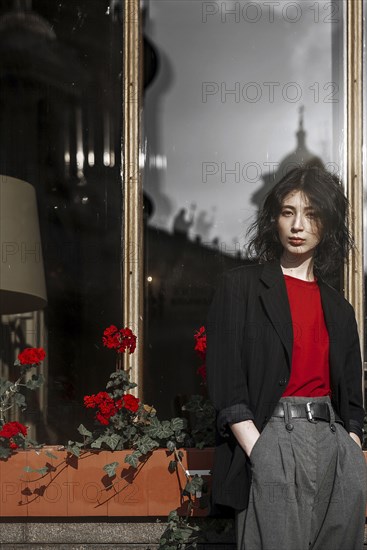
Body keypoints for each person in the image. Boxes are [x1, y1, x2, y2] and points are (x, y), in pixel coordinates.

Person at [206, 166, 367, 550]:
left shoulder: (340, 308)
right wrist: (259, 449)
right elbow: (227, 379)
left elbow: (353, 400)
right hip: (273, 439)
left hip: (335, 447)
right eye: (288, 212)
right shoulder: (240, 287)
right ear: (273, 220)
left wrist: (351, 445)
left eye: (312, 214)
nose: (298, 225)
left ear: (327, 225)